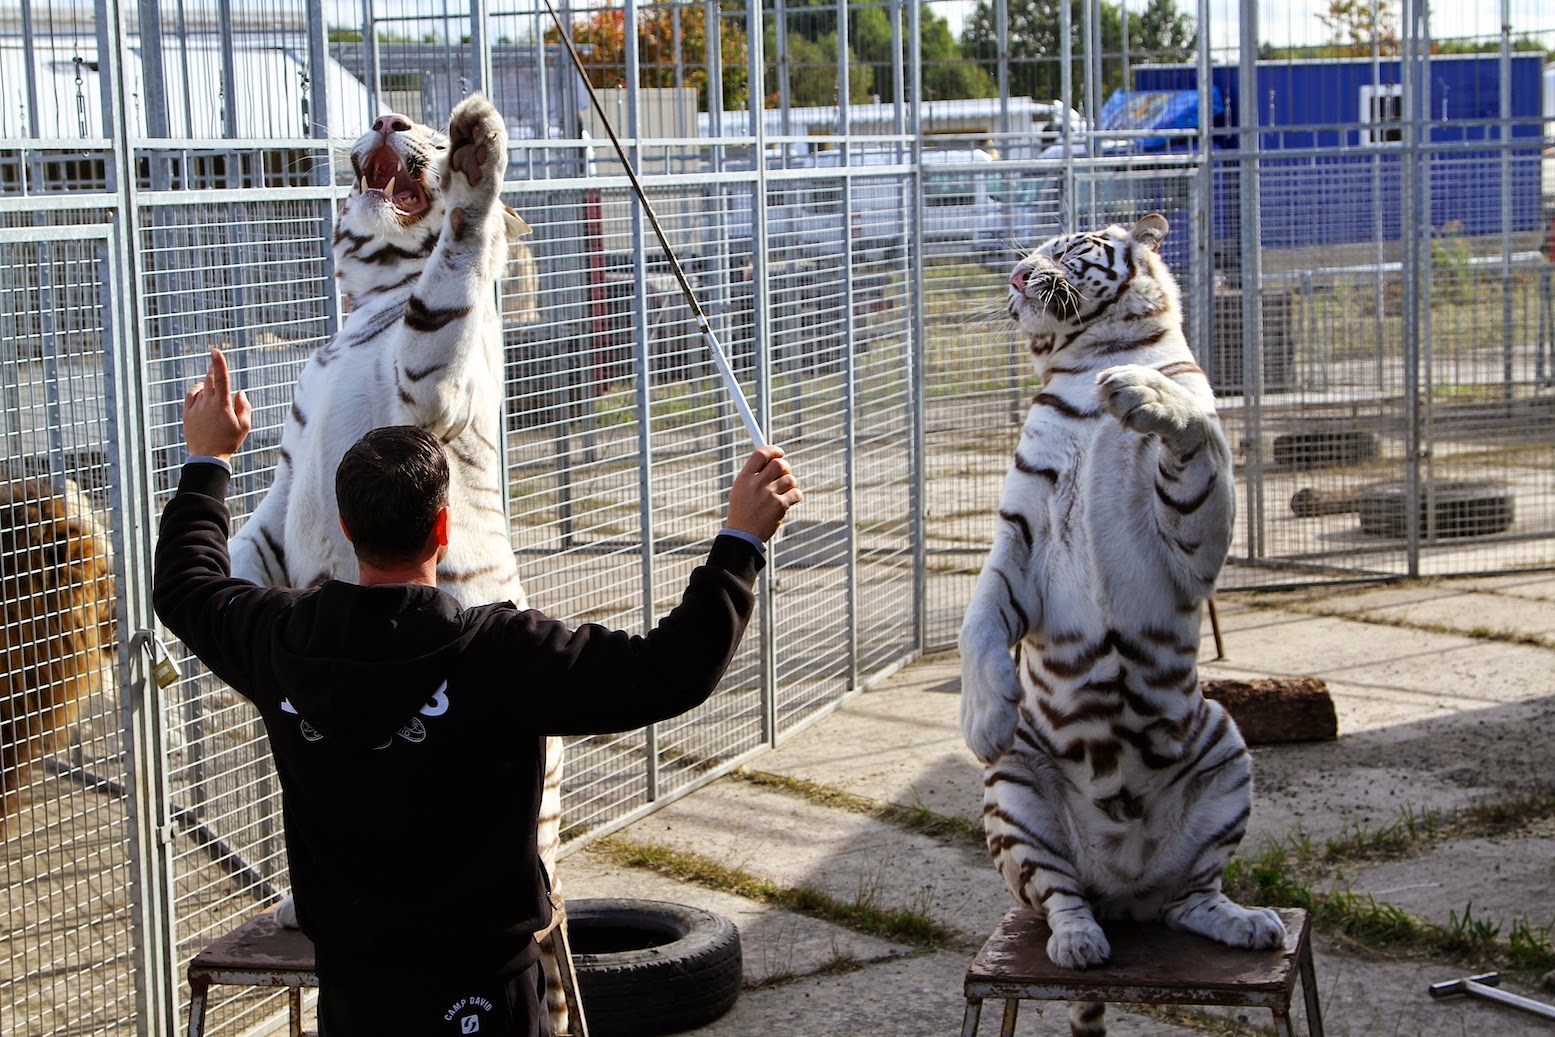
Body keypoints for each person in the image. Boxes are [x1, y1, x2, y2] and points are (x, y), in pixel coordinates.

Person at [153, 349, 802, 1037]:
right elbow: (670, 669)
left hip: (356, 998)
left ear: (347, 528)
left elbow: (185, 583)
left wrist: (208, 459)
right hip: (488, 1000)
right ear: (441, 526)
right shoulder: (498, 653)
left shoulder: (277, 640)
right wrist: (739, 541)